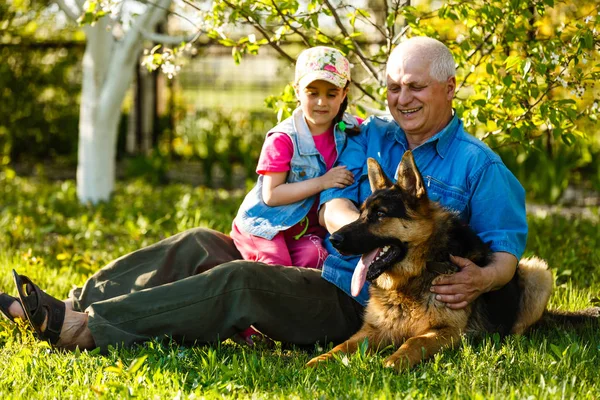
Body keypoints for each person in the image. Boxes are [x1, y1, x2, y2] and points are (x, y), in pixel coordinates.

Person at [1, 36, 527, 352]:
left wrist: (483, 278)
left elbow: (506, 253)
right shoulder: (371, 135)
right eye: (394, 86)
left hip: (362, 302)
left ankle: (86, 329)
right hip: (330, 258)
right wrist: (346, 223)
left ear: (449, 88)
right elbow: (333, 196)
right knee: (200, 241)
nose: (402, 98)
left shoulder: (480, 166)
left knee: (241, 282)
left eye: (416, 87)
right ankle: (66, 305)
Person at [230, 46, 360, 343]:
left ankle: (293, 322)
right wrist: (323, 181)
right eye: (312, 92)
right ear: (296, 91)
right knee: (274, 272)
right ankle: (251, 329)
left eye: (331, 93)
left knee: (317, 258)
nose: (321, 102)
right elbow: (272, 195)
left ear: (344, 93)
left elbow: (375, 126)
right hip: (265, 225)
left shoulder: (347, 128)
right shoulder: (283, 139)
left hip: (299, 229)